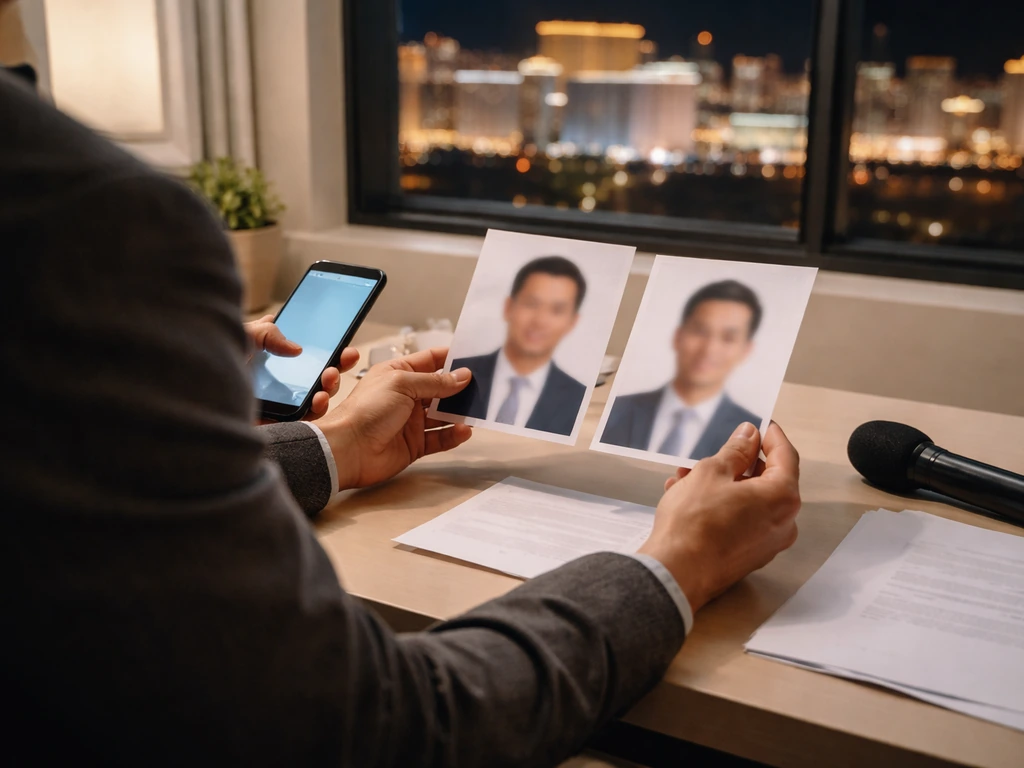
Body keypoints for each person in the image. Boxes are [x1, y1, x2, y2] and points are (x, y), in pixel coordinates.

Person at [1, 69, 801, 766]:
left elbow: (65, 499)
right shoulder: (88, 218)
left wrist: (331, 445)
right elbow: (378, 729)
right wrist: (674, 565)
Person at [601, 280, 763, 461]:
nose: (709, 349)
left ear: (745, 350)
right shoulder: (618, 410)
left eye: (728, 338)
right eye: (700, 331)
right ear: (678, 336)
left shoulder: (752, 431)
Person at [437, 256, 588, 436]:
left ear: (572, 322)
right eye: (531, 304)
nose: (540, 321)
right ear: (508, 307)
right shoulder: (455, 371)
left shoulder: (578, 399)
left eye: (557, 310)